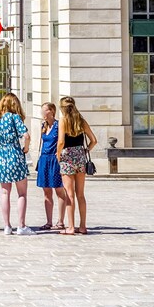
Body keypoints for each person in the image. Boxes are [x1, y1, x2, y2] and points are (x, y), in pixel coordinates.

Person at [0, 93, 32, 236]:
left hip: (1, 156)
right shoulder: (13, 117)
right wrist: (26, 148)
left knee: (5, 192)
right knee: (22, 193)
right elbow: (26, 135)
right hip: (15, 155)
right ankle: (21, 226)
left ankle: (7, 226)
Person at [57, 96, 98, 236]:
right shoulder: (81, 120)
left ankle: (71, 227)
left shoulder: (63, 120)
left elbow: (61, 141)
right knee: (80, 194)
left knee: (69, 194)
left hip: (67, 157)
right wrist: (86, 151)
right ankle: (83, 226)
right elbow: (94, 140)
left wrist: (58, 154)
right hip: (80, 157)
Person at [36, 102, 68, 231]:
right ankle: (48, 221)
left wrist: (59, 154)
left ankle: (60, 221)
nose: (42, 113)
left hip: (55, 160)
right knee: (46, 191)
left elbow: (62, 141)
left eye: (45, 110)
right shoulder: (43, 125)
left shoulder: (58, 125)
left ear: (52, 111)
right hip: (44, 159)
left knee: (59, 190)